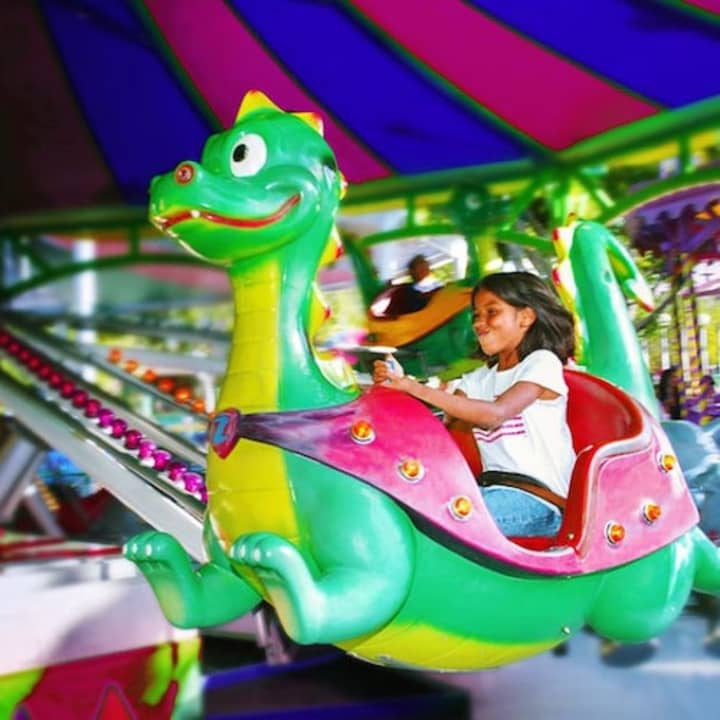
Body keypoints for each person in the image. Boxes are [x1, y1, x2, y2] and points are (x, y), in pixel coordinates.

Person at [373, 271, 576, 537]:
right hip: (489, 490)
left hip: (539, 501)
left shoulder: (541, 363)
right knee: (408, 503)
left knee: (442, 518)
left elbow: (495, 414)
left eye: (492, 312)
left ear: (525, 317)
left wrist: (412, 386)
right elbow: (442, 419)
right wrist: (396, 387)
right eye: (476, 315)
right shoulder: (479, 379)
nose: (480, 322)